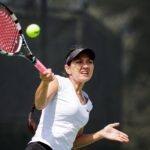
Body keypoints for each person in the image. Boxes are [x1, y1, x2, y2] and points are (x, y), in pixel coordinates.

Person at [25, 47, 129, 150]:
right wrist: (45, 83)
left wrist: (101, 134)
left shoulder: (87, 102)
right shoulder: (58, 82)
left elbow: (74, 142)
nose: (85, 66)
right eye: (79, 62)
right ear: (68, 69)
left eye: (89, 62)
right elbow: (39, 104)